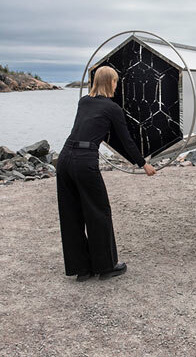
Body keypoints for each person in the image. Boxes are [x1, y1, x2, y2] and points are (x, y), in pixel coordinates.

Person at [56, 65, 156, 281]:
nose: (116, 85)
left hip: (64, 159)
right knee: (98, 211)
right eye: (116, 81)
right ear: (111, 82)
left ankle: (82, 269)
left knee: (71, 213)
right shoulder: (113, 109)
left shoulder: (84, 102)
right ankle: (106, 267)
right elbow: (126, 140)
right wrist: (143, 164)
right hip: (84, 161)